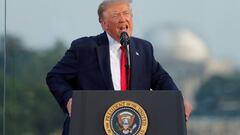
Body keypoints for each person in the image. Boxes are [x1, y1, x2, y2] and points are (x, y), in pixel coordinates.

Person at [46, 0, 192, 135]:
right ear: (104, 24)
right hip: (92, 127)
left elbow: (161, 78)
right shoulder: (85, 48)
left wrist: (177, 100)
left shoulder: (144, 49)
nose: (123, 19)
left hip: (133, 128)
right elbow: (55, 77)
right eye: (116, 15)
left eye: (126, 13)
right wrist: (69, 100)